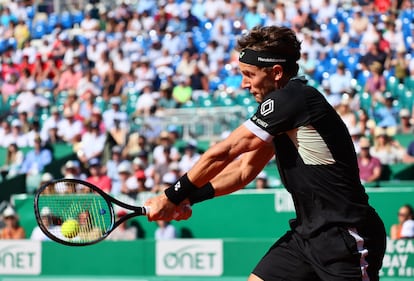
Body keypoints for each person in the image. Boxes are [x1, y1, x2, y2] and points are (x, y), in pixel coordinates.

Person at [145, 26, 386, 281]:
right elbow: (243, 170)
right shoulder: (283, 112)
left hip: (345, 235)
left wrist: (172, 195)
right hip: (307, 235)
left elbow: (225, 152)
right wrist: (190, 198)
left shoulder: (294, 98)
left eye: (249, 75)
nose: (244, 84)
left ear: (276, 73)